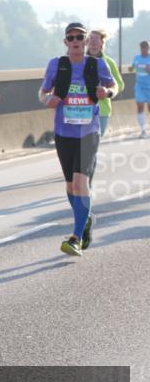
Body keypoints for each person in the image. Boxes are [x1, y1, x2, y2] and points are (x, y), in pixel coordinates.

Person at [39, 23, 117, 256]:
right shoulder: (57, 65)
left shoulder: (96, 64)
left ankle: (76, 237)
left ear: (85, 41)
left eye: (79, 37)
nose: (75, 41)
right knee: (71, 186)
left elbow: (113, 85)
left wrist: (107, 93)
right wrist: (47, 100)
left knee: (81, 182)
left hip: (88, 132)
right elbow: (43, 92)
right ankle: (87, 218)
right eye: (70, 37)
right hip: (64, 132)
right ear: (65, 42)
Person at [86, 29, 125, 136]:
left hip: (102, 110)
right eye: (91, 38)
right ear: (87, 41)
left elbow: (119, 85)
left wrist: (107, 91)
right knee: (82, 145)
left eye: (96, 38)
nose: (93, 41)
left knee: (94, 143)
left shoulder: (109, 62)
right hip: (81, 109)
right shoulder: (78, 60)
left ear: (102, 42)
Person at [132, 40, 150, 138]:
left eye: (145, 47)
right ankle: (143, 131)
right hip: (139, 86)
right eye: (141, 47)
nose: (143, 49)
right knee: (140, 106)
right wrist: (132, 68)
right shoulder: (136, 58)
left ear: (148, 48)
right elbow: (132, 68)